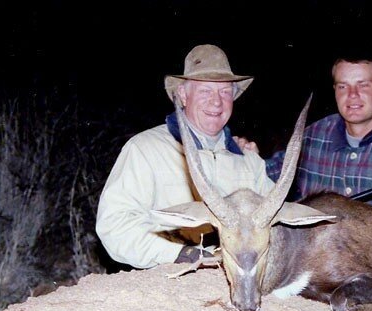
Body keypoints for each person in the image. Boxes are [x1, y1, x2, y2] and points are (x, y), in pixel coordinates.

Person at [96, 44, 275, 269]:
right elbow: (114, 225)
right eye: (205, 91)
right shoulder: (145, 149)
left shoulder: (249, 161)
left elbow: (277, 226)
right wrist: (181, 254)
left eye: (224, 92)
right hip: (168, 280)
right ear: (182, 94)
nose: (217, 101)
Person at [242, 52, 372, 225]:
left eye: (363, 85)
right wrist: (242, 156)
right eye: (343, 87)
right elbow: (271, 174)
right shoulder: (314, 135)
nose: (352, 95)